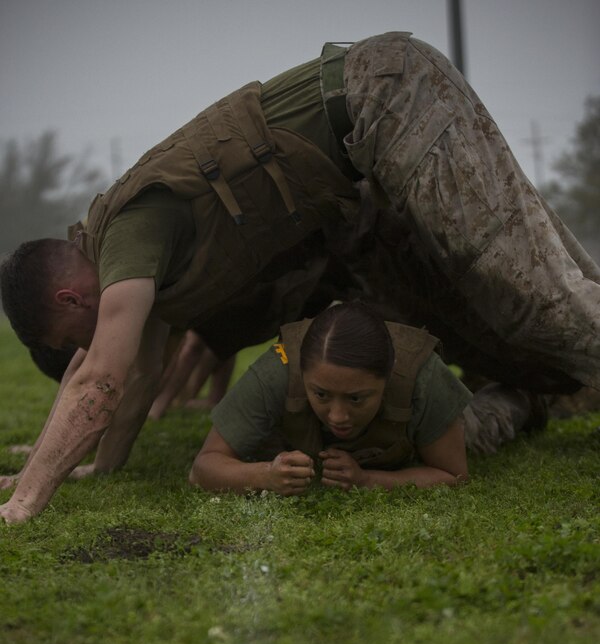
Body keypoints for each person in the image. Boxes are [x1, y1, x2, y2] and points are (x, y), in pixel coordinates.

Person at [1, 31, 599, 523]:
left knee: (533, 295)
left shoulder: (125, 236)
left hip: (388, 98)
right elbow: (138, 378)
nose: (87, 347)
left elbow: (102, 379)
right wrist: (98, 468)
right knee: (539, 291)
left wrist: (23, 502)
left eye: (71, 338)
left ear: (68, 296)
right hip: (374, 140)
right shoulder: (130, 255)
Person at [190, 301, 546, 495]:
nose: (338, 415)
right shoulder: (276, 372)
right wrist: (266, 475)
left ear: (387, 381)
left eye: (357, 398)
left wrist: (367, 480)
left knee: (485, 425)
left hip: (415, 436)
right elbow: (204, 468)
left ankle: (524, 395)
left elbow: (453, 476)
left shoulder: (422, 378)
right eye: (322, 394)